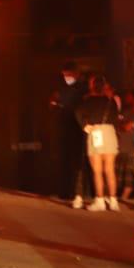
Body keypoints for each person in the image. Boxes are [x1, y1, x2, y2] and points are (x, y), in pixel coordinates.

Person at [76, 75, 120, 211]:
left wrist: (85, 126)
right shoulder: (110, 101)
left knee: (97, 170)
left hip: (96, 132)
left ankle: (100, 200)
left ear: (92, 86)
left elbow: (78, 113)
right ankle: (113, 201)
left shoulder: (87, 101)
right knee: (110, 169)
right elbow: (116, 117)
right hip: (110, 132)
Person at [48, 62, 85, 205]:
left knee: (76, 162)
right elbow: (53, 101)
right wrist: (53, 103)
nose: (66, 77)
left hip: (77, 128)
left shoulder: (82, 88)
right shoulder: (61, 88)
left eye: (68, 75)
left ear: (76, 74)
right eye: (64, 75)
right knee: (63, 159)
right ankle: (63, 191)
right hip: (63, 127)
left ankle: (75, 192)